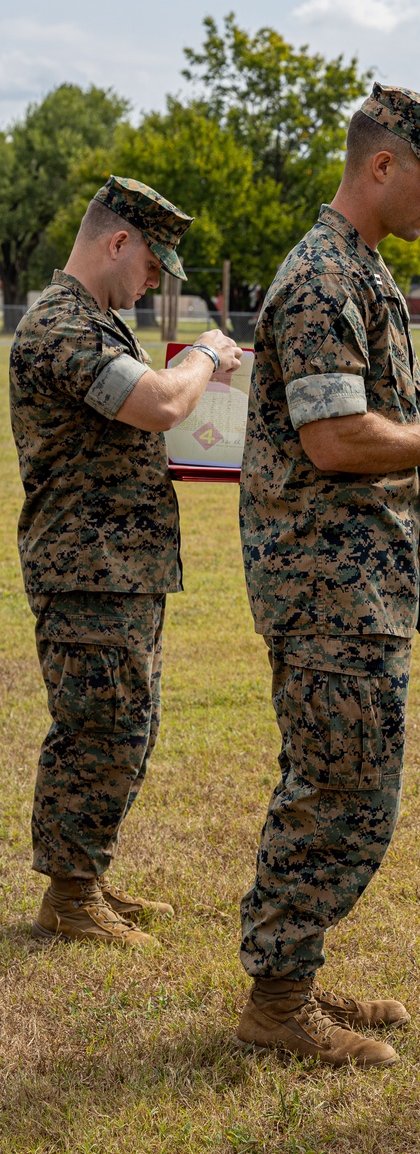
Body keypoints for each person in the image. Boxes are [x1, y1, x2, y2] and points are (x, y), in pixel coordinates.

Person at [236, 83, 420, 1069]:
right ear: (382, 164)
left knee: (349, 779)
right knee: (341, 786)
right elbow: (333, 438)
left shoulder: (358, 267)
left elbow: (372, 403)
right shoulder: (322, 277)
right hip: (326, 584)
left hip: (355, 580)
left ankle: (296, 973)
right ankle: (278, 1000)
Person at [9, 176, 242, 948]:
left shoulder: (99, 325)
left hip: (121, 564)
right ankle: (69, 899)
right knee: (98, 728)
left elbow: (152, 424)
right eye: (151, 267)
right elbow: (161, 405)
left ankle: (89, 879)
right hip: (87, 568)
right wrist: (206, 353)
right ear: (117, 243)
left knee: (125, 724)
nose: (152, 285)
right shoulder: (62, 328)